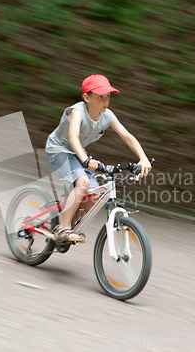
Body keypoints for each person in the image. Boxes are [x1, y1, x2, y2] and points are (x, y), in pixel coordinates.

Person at [45, 74, 151, 242]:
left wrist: (143, 158)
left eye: (108, 96)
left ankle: (68, 226)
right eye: (100, 96)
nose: (105, 101)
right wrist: (86, 161)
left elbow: (127, 136)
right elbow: (73, 137)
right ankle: (63, 228)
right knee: (83, 182)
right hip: (58, 150)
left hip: (78, 152)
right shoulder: (77, 112)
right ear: (87, 97)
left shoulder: (107, 115)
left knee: (94, 195)